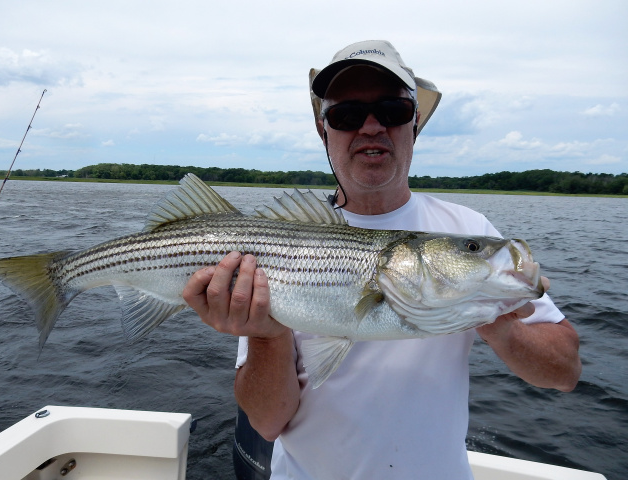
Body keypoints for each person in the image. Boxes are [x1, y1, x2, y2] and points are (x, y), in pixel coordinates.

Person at [183, 40, 582, 479]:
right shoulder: (280, 245)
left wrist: (502, 327)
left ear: (414, 125)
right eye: (347, 115)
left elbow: (565, 372)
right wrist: (265, 337)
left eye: (392, 111)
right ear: (323, 130)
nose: (371, 127)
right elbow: (266, 423)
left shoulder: (471, 228)